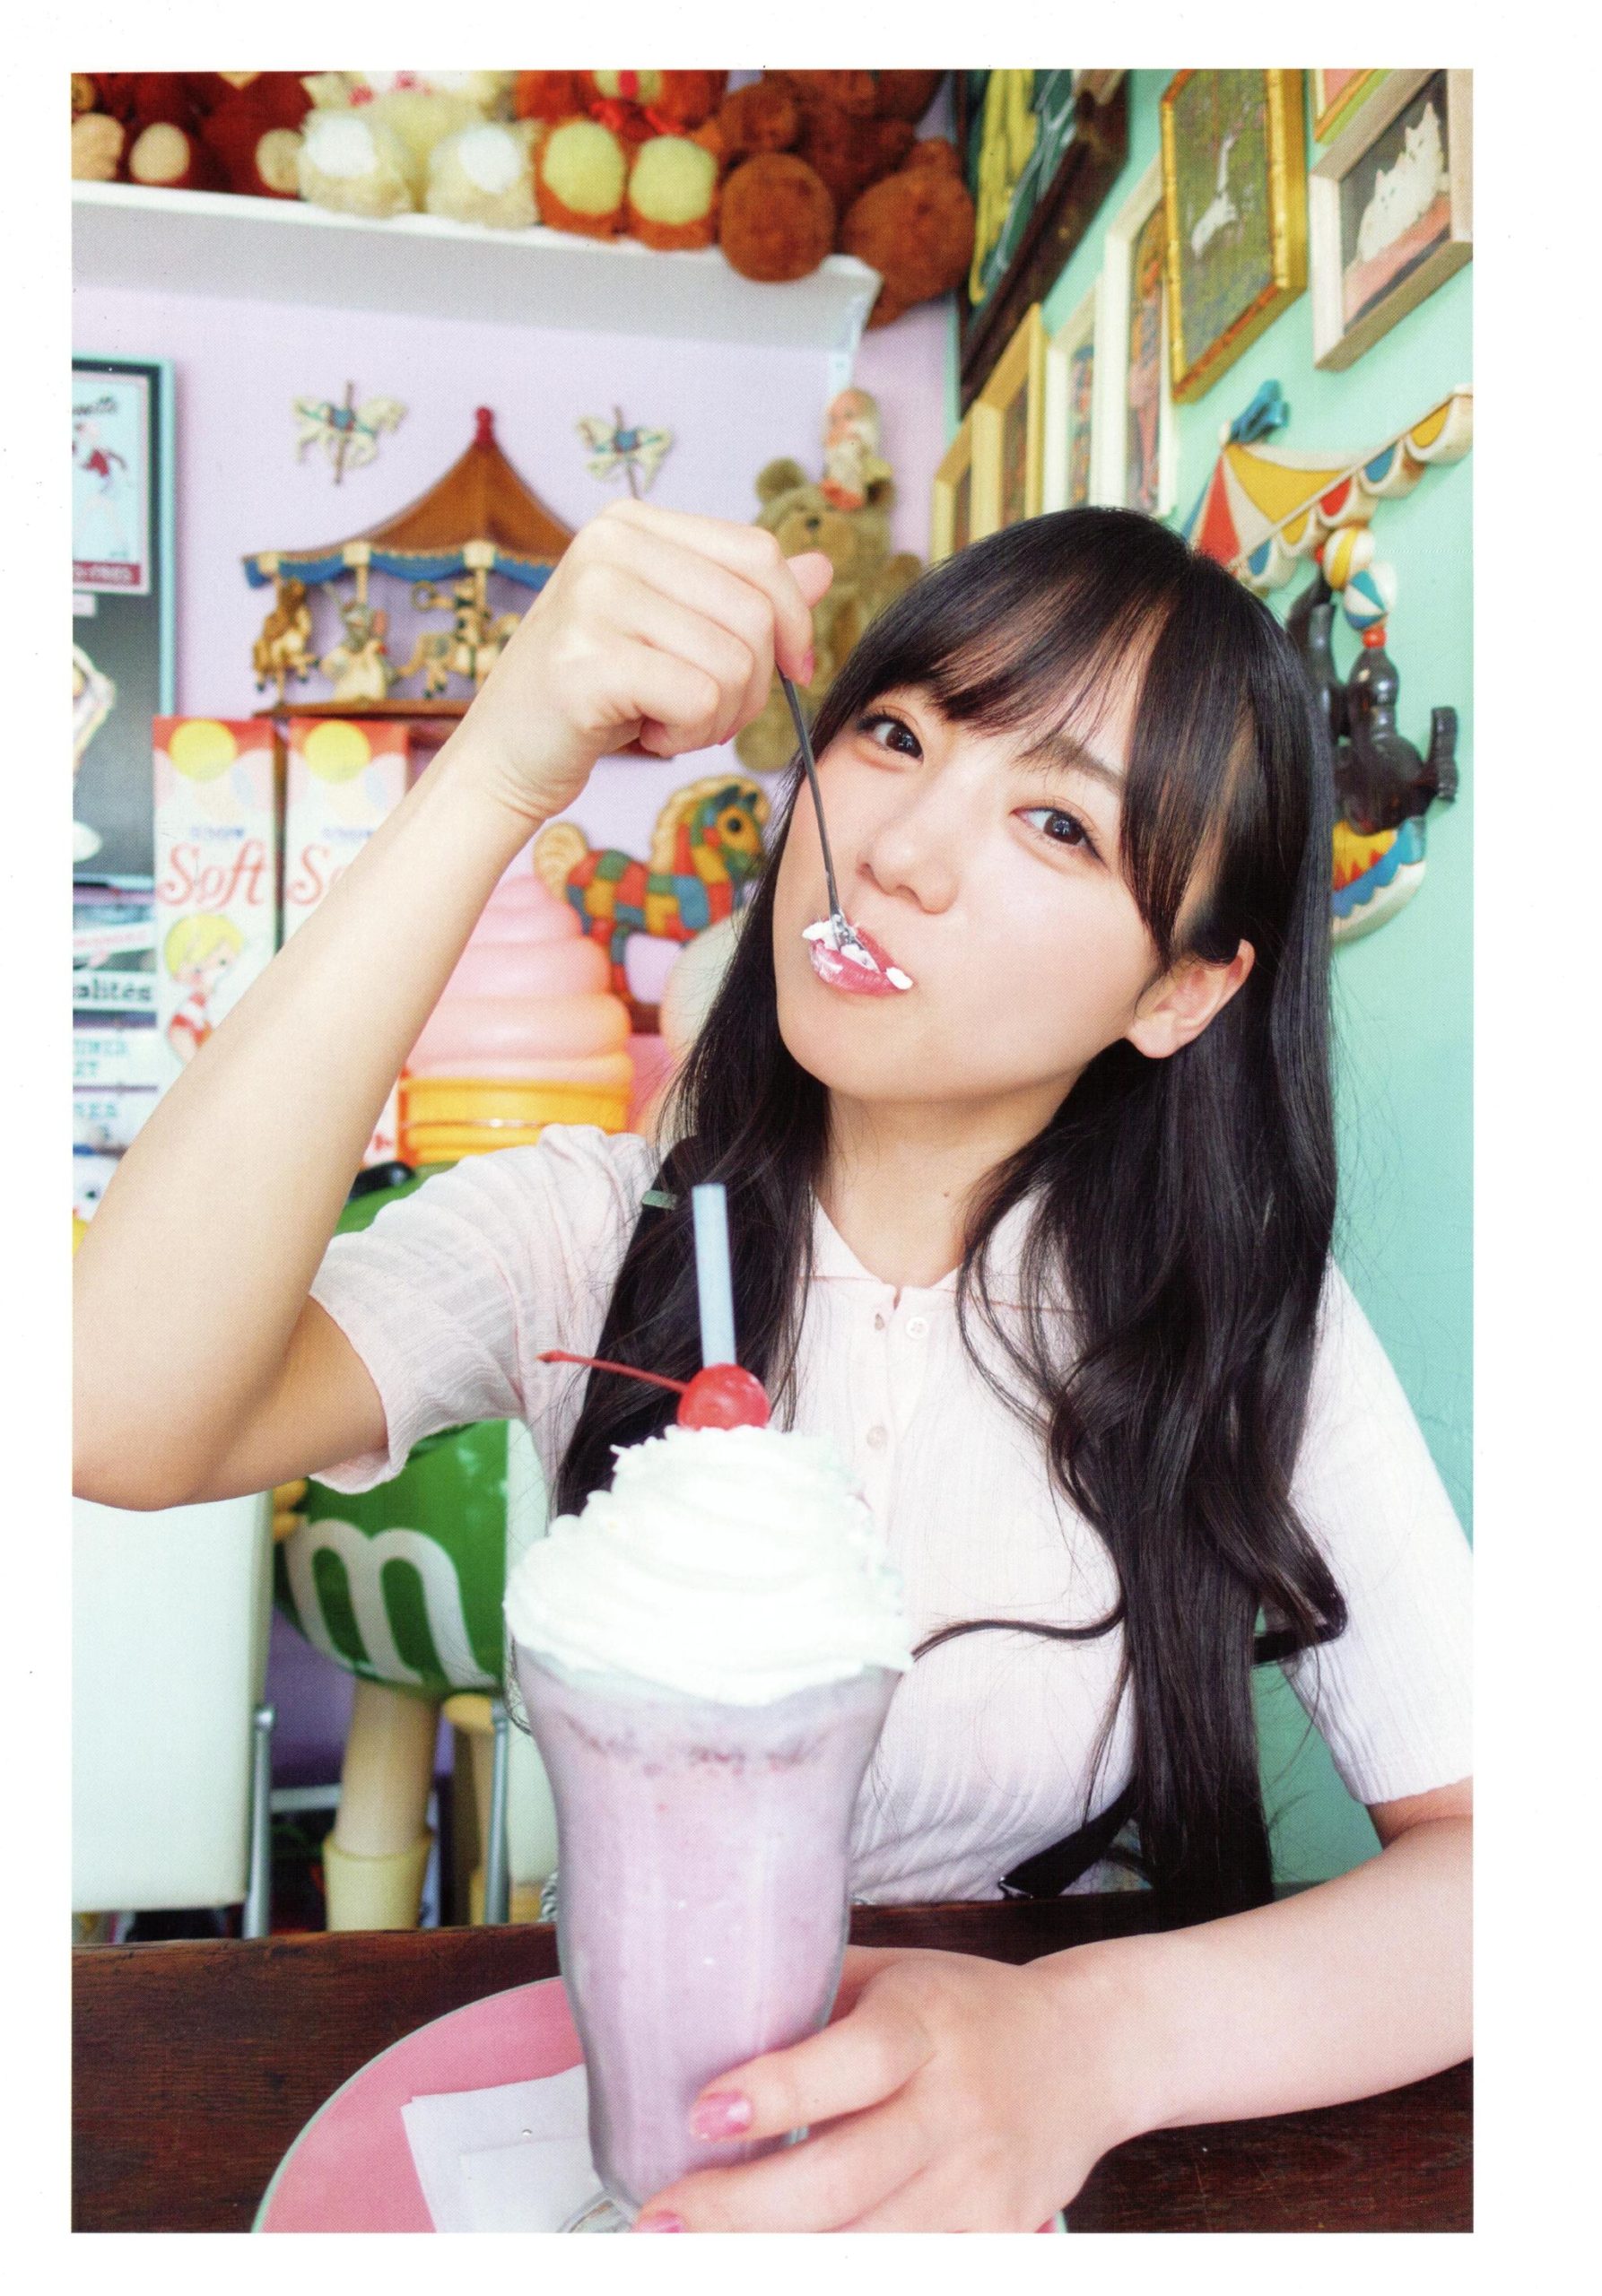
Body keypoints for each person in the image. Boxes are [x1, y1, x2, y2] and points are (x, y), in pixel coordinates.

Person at [74, 498, 1471, 2232]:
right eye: (894, 736)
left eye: (1053, 819)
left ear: (1180, 993)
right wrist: (496, 771)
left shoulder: (1245, 1320)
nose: (897, 851)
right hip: (634, 2140)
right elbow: (111, 1415)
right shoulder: (592, 1228)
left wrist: (1089, 2043)